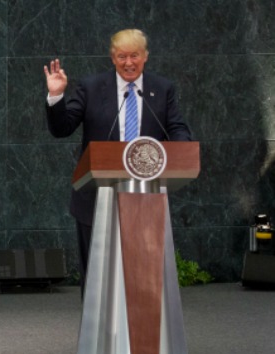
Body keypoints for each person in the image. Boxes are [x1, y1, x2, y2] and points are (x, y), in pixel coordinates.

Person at [43, 29, 192, 293]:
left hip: (146, 197)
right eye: (122, 56)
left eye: (134, 55)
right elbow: (62, 128)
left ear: (145, 57)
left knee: (143, 277)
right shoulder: (90, 87)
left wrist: (181, 150)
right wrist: (56, 97)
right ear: (113, 58)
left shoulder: (162, 89)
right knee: (97, 278)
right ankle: (98, 334)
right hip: (96, 196)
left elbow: (176, 127)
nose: (128, 63)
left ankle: (141, 333)